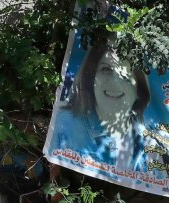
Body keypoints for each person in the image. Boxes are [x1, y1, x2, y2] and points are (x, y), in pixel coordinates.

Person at [54, 41, 152, 172]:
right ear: (90, 78)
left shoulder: (152, 143)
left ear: (139, 90)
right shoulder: (64, 124)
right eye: (106, 69)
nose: (114, 82)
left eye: (126, 73)